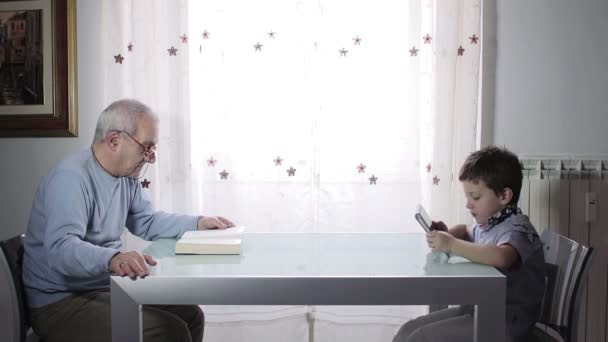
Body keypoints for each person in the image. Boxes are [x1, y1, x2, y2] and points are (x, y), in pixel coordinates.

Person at [23, 99, 235, 342]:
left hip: (98, 287)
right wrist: (112, 258)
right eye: (146, 147)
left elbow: (146, 221)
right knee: (168, 330)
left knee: (191, 314)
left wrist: (197, 223)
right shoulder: (71, 178)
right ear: (114, 140)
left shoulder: (126, 177)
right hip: (58, 302)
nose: (151, 158)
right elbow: (60, 249)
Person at [393, 146, 545, 342]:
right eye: (467, 196)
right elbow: (466, 230)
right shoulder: (490, 223)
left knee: (420, 338)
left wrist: (452, 244)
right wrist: (447, 234)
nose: (468, 203)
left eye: (475, 197)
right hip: (482, 308)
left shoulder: (517, 229)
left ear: (504, 196)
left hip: (508, 322)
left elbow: (501, 256)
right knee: (409, 329)